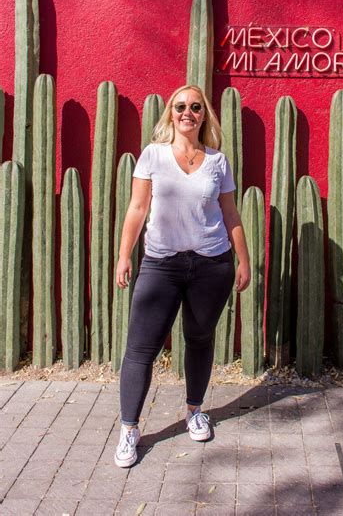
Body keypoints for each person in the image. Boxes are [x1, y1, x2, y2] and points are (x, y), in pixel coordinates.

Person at [114, 84, 251, 468]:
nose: (187, 112)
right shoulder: (153, 155)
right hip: (161, 265)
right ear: (170, 114)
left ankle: (194, 411)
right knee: (140, 349)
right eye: (180, 107)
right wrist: (124, 256)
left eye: (195, 107)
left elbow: (230, 213)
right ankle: (129, 429)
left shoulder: (217, 161)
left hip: (212, 265)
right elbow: (137, 208)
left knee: (199, 338)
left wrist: (243, 260)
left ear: (204, 115)